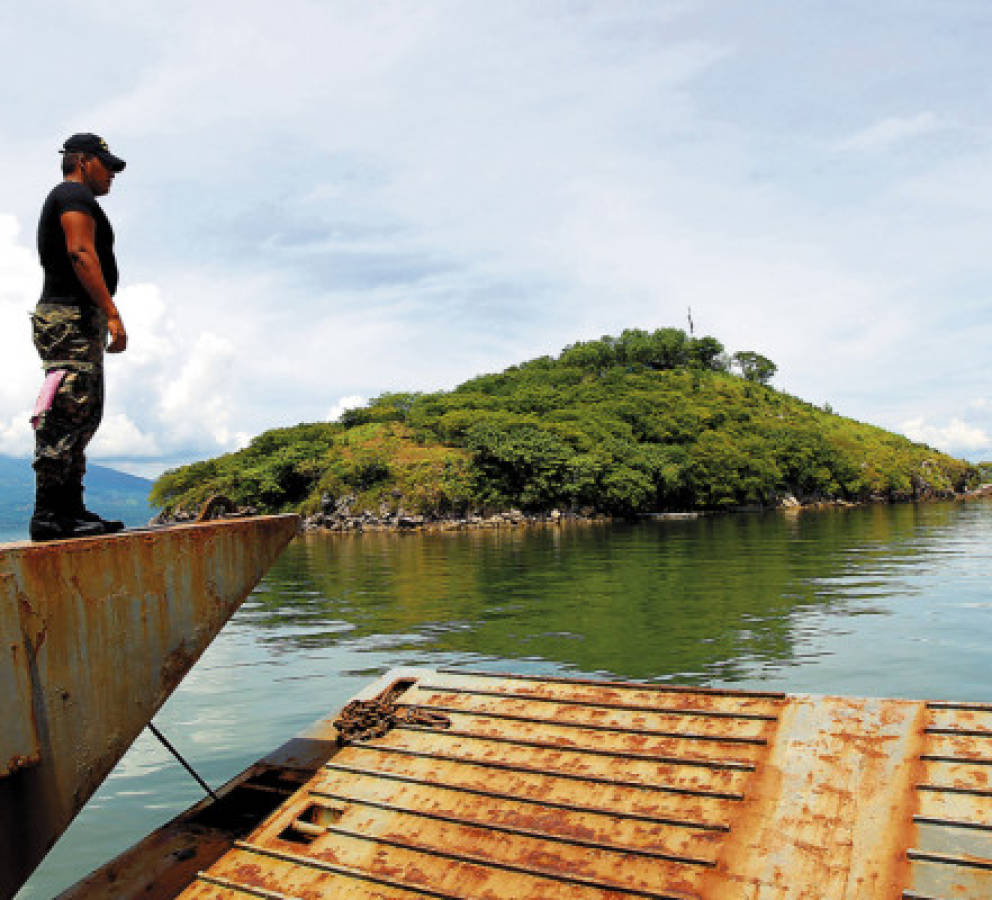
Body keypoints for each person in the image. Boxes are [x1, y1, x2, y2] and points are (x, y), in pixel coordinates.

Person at [30, 133, 128, 541]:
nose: (112, 177)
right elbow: (80, 253)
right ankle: (49, 514)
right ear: (85, 161)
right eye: (108, 166)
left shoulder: (76, 197)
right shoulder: (72, 195)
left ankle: (69, 509)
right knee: (69, 409)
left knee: (83, 412)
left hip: (75, 318)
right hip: (68, 316)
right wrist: (111, 313)